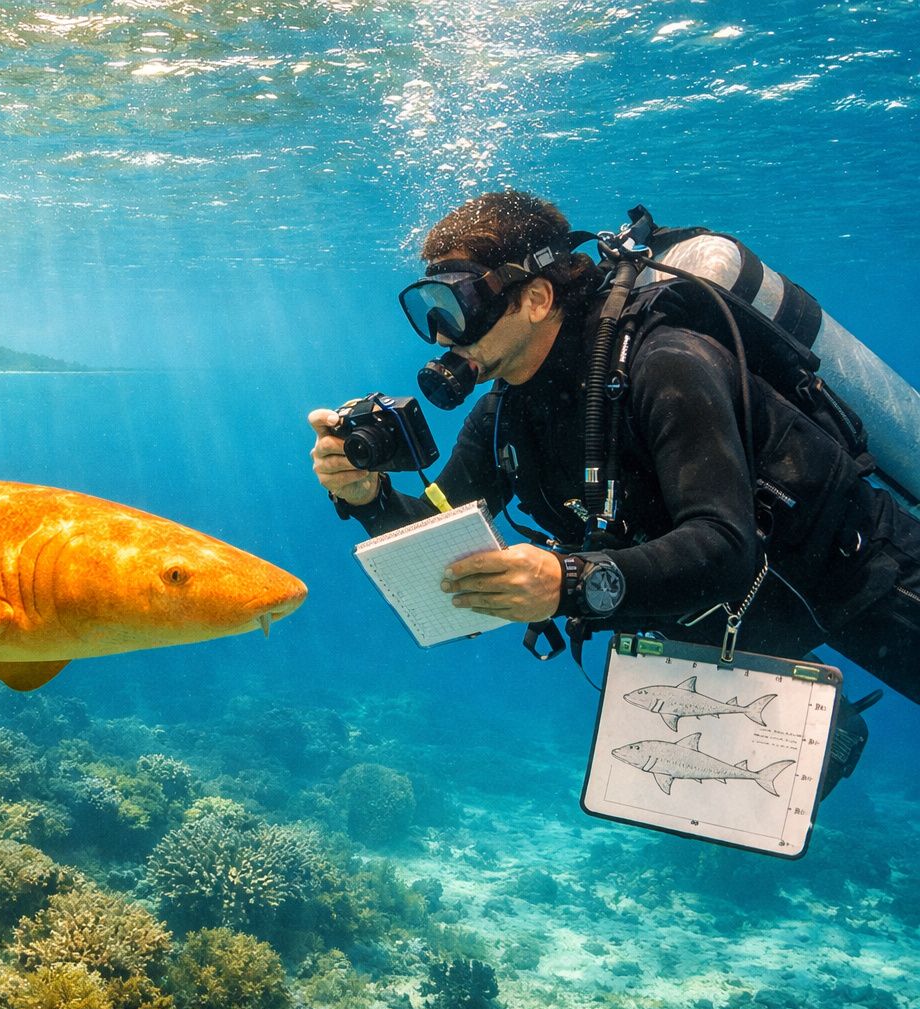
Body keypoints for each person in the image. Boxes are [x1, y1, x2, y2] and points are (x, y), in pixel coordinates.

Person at [309, 191, 920, 783]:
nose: (442, 334)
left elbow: (726, 547)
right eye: (427, 311)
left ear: (537, 298)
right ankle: (833, 723)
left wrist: (566, 582)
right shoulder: (503, 415)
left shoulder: (666, 363)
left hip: (861, 580)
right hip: (726, 623)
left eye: (456, 306)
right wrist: (369, 497)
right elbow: (436, 541)